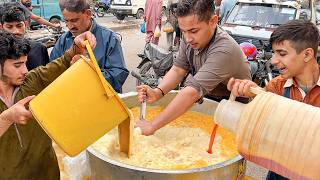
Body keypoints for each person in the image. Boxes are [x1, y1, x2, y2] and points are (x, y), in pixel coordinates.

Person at [136, 0, 251, 135]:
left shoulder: (224, 50)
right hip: (207, 97)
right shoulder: (189, 37)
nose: (188, 38)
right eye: (183, 31)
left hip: (231, 109)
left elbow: (192, 92)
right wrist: (158, 92)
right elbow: (178, 69)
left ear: (213, 21)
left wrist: (152, 126)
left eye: (193, 31)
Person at [227, 20, 320, 179]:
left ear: (307, 54)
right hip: (279, 172)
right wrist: (253, 92)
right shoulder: (277, 86)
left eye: (282, 54)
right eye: (274, 53)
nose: (274, 61)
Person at [0, 30, 96, 179]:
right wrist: (7, 117)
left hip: (46, 171)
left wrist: (77, 47)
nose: (25, 70)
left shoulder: (32, 80)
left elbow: (63, 62)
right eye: (17, 65)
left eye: (25, 63)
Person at [50, 0, 129, 93]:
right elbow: (52, 72)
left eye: (74, 20)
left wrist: (86, 72)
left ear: (88, 14)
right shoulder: (63, 40)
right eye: (66, 21)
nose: (70, 26)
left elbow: (118, 75)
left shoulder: (109, 38)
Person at [1, 5, 49, 70]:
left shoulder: (39, 49)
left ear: (26, 25)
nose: (15, 31)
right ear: (1, 27)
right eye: (9, 27)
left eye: (19, 26)